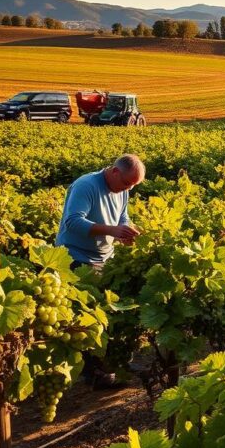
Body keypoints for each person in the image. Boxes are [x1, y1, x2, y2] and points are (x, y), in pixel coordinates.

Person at [56, 154, 145, 388]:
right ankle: (94, 375)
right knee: (88, 319)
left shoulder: (123, 188)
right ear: (114, 172)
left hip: (105, 258)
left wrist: (127, 229)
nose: (129, 189)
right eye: (127, 184)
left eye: (133, 186)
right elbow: (73, 222)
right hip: (76, 258)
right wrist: (113, 231)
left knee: (111, 315)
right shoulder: (86, 185)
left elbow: (123, 217)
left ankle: (114, 363)